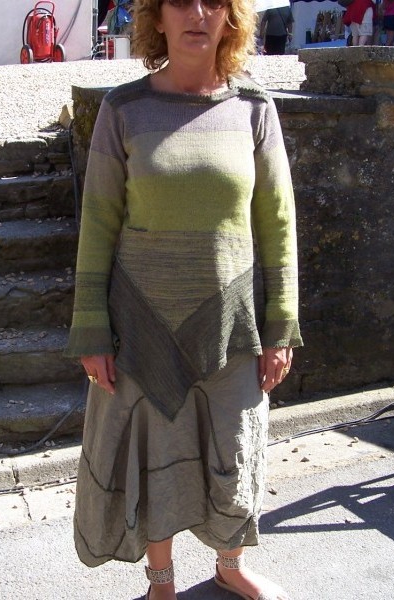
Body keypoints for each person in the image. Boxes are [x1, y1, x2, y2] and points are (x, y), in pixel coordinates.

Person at [66, 0, 303, 598]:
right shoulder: (124, 109)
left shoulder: (254, 108)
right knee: (156, 455)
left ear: (232, 18)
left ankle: (230, 565)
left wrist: (281, 325)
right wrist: (91, 327)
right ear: (157, 17)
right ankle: (161, 581)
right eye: (180, 0)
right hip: (141, 325)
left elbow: (277, 223)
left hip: (234, 324)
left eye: (214, 1)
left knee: (233, 447)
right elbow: (98, 223)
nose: (197, 13)